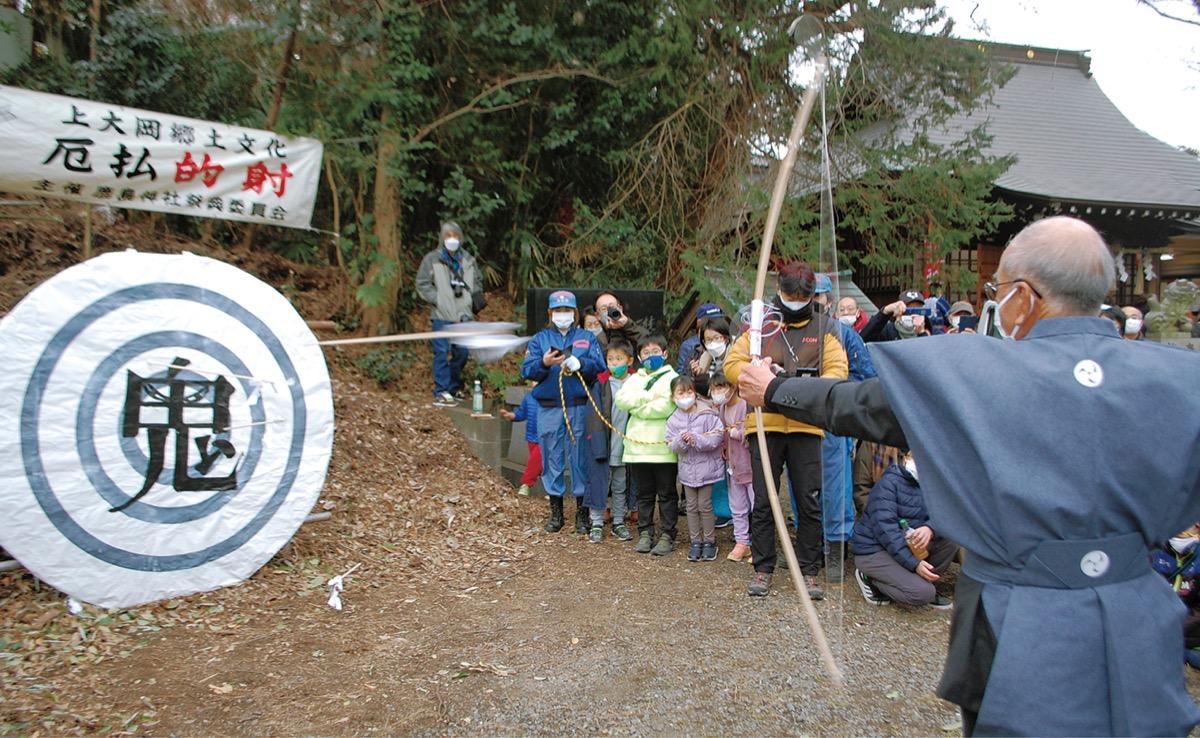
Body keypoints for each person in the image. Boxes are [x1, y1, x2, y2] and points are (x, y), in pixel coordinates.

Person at [734, 216, 1200, 736]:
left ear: (1022, 296)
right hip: (1140, 619)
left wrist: (773, 391)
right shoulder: (1181, 378)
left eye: (997, 291)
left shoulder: (977, 371)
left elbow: (861, 405)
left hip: (1019, 621)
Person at [723, 261, 848, 599]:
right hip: (765, 424)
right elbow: (731, 365)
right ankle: (763, 567)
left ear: (812, 295)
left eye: (803, 297)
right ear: (778, 291)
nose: (796, 302)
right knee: (764, 500)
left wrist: (800, 385)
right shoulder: (760, 326)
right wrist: (758, 372)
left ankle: (809, 570)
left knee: (809, 501)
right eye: (790, 296)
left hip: (807, 425)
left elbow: (838, 372)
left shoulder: (825, 328)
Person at [521, 290, 605, 535]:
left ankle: (582, 512)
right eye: (558, 311)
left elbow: (599, 367)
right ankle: (556, 510)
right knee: (551, 455)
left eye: (567, 310)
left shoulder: (586, 338)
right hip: (549, 407)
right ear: (550, 313)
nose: (562, 314)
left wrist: (582, 364)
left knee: (580, 457)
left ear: (575, 312)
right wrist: (544, 363)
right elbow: (527, 371)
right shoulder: (540, 339)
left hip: (578, 405)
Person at [812, 273, 876, 582]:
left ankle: (837, 546)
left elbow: (867, 377)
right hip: (800, 418)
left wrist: (832, 387)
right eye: (808, 296)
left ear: (829, 301)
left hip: (834, 419)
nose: (813, 302)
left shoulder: (845, 335)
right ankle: (810, 544)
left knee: (836, 484)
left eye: (818, 296)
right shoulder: (790, 332)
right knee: (803, 485)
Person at [851, 450, 956, 608]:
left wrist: (930, 527)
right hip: (875, 550)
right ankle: (870, 578)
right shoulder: (889, 483)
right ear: (906, 459)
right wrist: (914, 564)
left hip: (907, 545)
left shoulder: (932, 485)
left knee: (950, 540)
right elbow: (887, 532)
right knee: (923, 593)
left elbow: (946, 514)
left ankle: (923, 582)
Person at [615, 334, 679, 557]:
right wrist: (648, 398)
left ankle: (667, 534)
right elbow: (622, 400)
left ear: (665, 354)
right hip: (637, 448)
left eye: (655, 352)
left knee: (667, 493)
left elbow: (666, 406)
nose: (650, 356)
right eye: (646, 353)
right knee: (643, 494)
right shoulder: (634, 379)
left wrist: (637, 406)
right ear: (640, 357)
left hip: (663, 448)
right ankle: (645, 532)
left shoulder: (673, 378)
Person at [416, 221, 484, 406]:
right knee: (441, 352)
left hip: (463, 315)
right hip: (441, 314)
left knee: (461, 353)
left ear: (460, 238)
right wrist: (437, 298)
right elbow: (422, 283)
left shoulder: (468, 260)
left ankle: (454, 388)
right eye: (448, 236)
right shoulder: (432, 259)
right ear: (442, 238)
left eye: (455, 235)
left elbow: (478, 281)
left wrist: (471, 299)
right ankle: (441, 391)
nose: (452, 239)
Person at [665, 375, 725, 562]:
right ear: (673, 397)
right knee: (691, 506)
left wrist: (697, 439)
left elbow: (717, 437)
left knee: (704, 505)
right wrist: (681, 441)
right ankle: (695, 541)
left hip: (708, 469)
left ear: (695, 393)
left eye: (689, 392)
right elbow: (671, 445)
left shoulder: (708, 413)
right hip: (687, 471)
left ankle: (710, 541)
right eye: (681, 393)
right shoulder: (673, 419)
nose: (686, 397)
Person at [582, 340, 636, 542]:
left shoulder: (637, 382)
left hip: (625, 446)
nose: (614, 363)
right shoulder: (600, 384)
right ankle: (596, 522)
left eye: (619, 359)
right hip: (604, 444)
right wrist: (597, 445)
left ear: (629, 360)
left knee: (621, 485)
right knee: (600, 484)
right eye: (610, 359)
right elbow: (594, 417)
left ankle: (618, 521)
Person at [710, 372, 753, 563]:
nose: (716, 393)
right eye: (713, 389)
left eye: (720, 388)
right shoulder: (723, 408)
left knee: (757, 504)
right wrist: (723, 444)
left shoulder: (746, 405)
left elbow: (752, 432)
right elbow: (722, 432)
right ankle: (742, 542)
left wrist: (738, 434)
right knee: (737, 506)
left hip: (750, 466)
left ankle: (760, 543)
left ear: (733, 387)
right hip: (733, 467)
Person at [499, 387, 541, 497]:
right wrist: (511, 416)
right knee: (541, 465)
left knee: (535, 461)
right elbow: (522, 413)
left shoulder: (552, 397)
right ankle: (550, 490)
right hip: (531, 437)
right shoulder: (529, 397)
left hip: (545, 438)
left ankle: (526, 484)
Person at [679, 316, 733, 398]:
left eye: (716, 338)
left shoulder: (736, 355)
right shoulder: (705, 359)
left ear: (726, 339)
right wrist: (696, 374)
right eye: (708, 339)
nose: (713, 343)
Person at [860, 289, 931, 343]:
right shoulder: (887, 331)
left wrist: (922, 333)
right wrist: (885, 312)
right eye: (908, 311)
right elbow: (863, 339)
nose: (913, 315)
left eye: (917, 311)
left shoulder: (931, 331)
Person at [676, 302, 726, 376]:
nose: (715, 324)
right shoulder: (690, 347)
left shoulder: (729, 344)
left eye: (719, 320)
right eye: (711, 321)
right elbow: (681, 376)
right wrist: (693, 372)